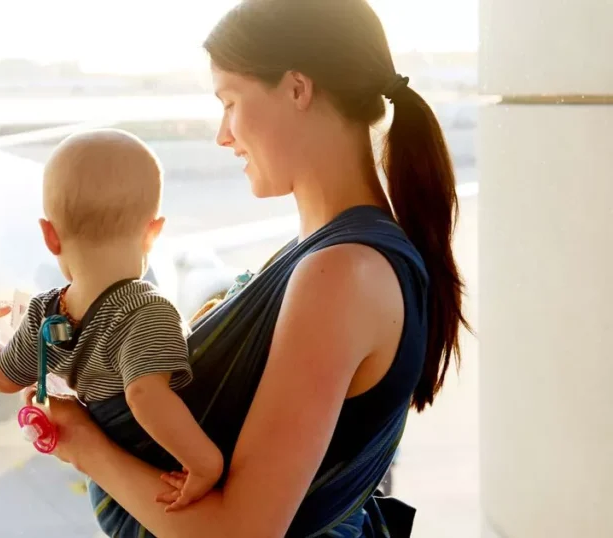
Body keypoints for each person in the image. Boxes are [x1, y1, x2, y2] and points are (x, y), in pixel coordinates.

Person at [23, 0, 471, 537]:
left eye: (230, 101)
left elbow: (242, 531)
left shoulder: (341, 273)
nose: (223, 134)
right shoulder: (327, 255)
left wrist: (82, 445)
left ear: (297, 89)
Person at [0, 128, 225, 511]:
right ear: (152, 232)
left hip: (110, 494)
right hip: (152, 482)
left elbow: (0, 374)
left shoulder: (44, 313)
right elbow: (144, 393)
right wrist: (204, 463)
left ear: (50, 236)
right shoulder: (149, 310)